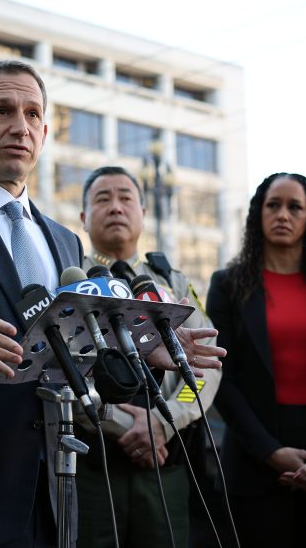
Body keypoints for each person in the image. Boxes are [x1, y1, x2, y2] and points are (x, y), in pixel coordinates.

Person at [0, 60, 223, 547]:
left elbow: (74, 355)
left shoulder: (63, 242)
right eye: (2, 111)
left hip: (58, 487)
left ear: (45, 132)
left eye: (33, 114)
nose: (20, 126)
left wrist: (141, 346)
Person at [206, 172, 306, 548]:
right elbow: (220, 378)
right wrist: (272, 453)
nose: (283, 214)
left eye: (295, 207)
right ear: (257, 215)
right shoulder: (227, 285)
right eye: (273, 205)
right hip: (255, 463)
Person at [75, 166, 221, 548]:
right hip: (94, 464)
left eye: (126, 198)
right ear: (83, 218)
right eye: (102, 199)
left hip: (166, 462)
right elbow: (64, 374)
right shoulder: (71, 283)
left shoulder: (170, 282)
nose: (116, 207)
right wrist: (125, 423)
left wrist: (165, 420)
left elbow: (204, 372)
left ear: (142, 211)